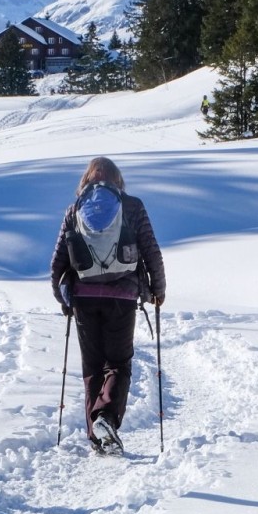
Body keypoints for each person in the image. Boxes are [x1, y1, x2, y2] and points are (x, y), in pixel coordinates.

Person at [51, 156, 166, 454]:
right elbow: (151, 250)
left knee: (93, 368)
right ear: (118, 179)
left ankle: (97, 437)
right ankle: (106, 418)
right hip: (122, 296)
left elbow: (58, 262)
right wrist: (158, 290)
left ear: (87, 179)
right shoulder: (132, 206)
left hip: (84, 298)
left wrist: (62, 297)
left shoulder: (74, 209)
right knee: (117, 363)